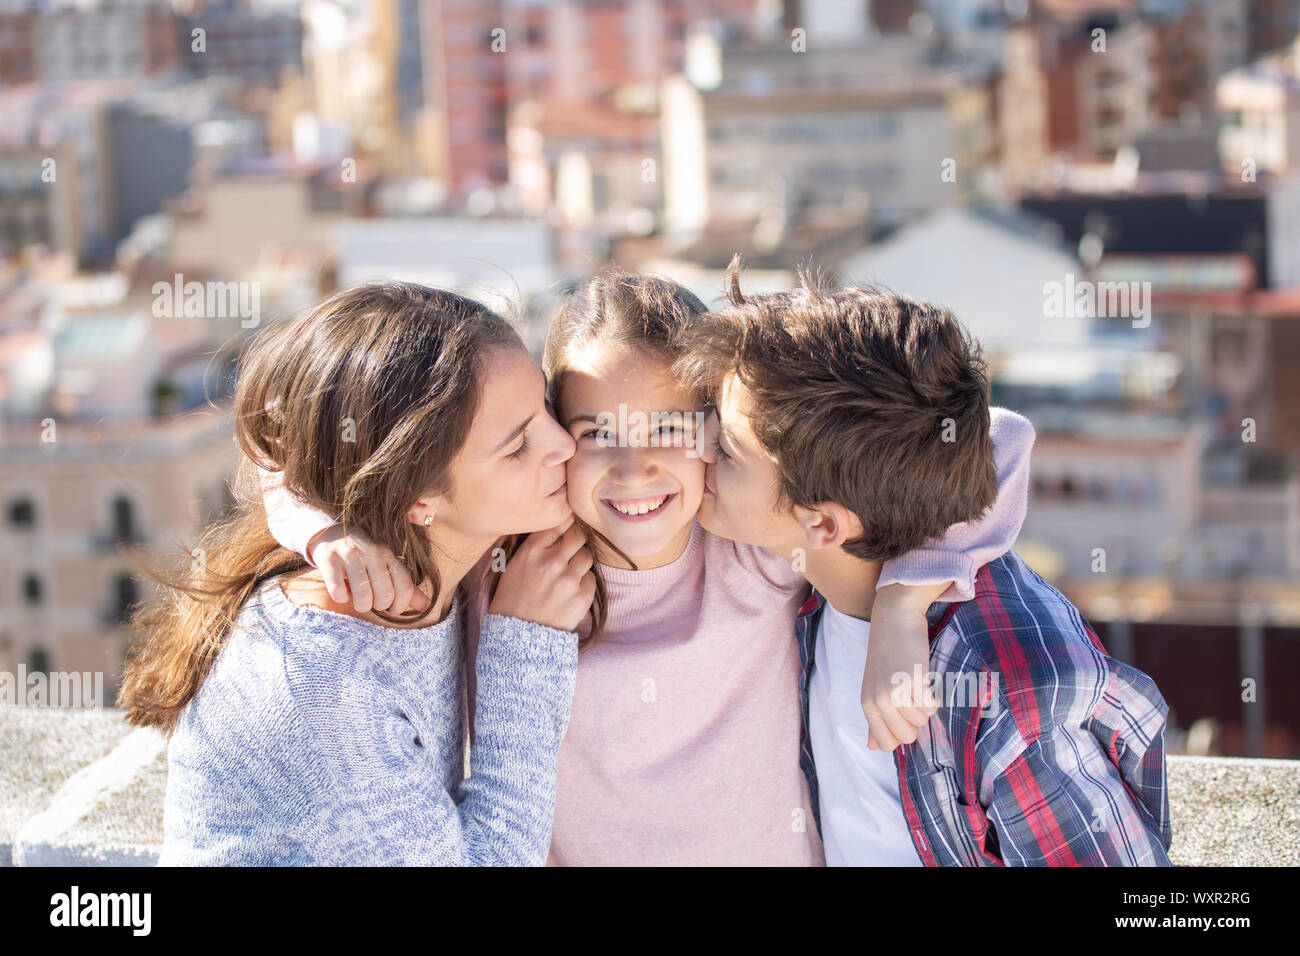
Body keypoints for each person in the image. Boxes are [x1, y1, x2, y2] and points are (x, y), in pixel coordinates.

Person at [263, 270, 1036, 865]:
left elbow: (991, 440)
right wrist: (325, 530)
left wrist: (904, 601)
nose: (634, 470)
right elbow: (281, 441)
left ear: (719, 430)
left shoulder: (752, 546)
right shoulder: (509, 557)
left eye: (669, 427)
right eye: (597, 431)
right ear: (555, 435)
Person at [674, 259, 1174, 866]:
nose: (696, 449)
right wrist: (902, 603)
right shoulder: (814, 573)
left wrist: (903, 604)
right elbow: (997, 433)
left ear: (824, 523)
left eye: (726, 449)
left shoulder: (1011, 698)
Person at [118, 280, 594, 866]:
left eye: (544, 407)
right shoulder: (325, 685)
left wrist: (317, 524)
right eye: (519, 445)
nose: (564, 444)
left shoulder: (425, 547)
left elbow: (292, 431)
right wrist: (525, 647)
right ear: (417, 496)